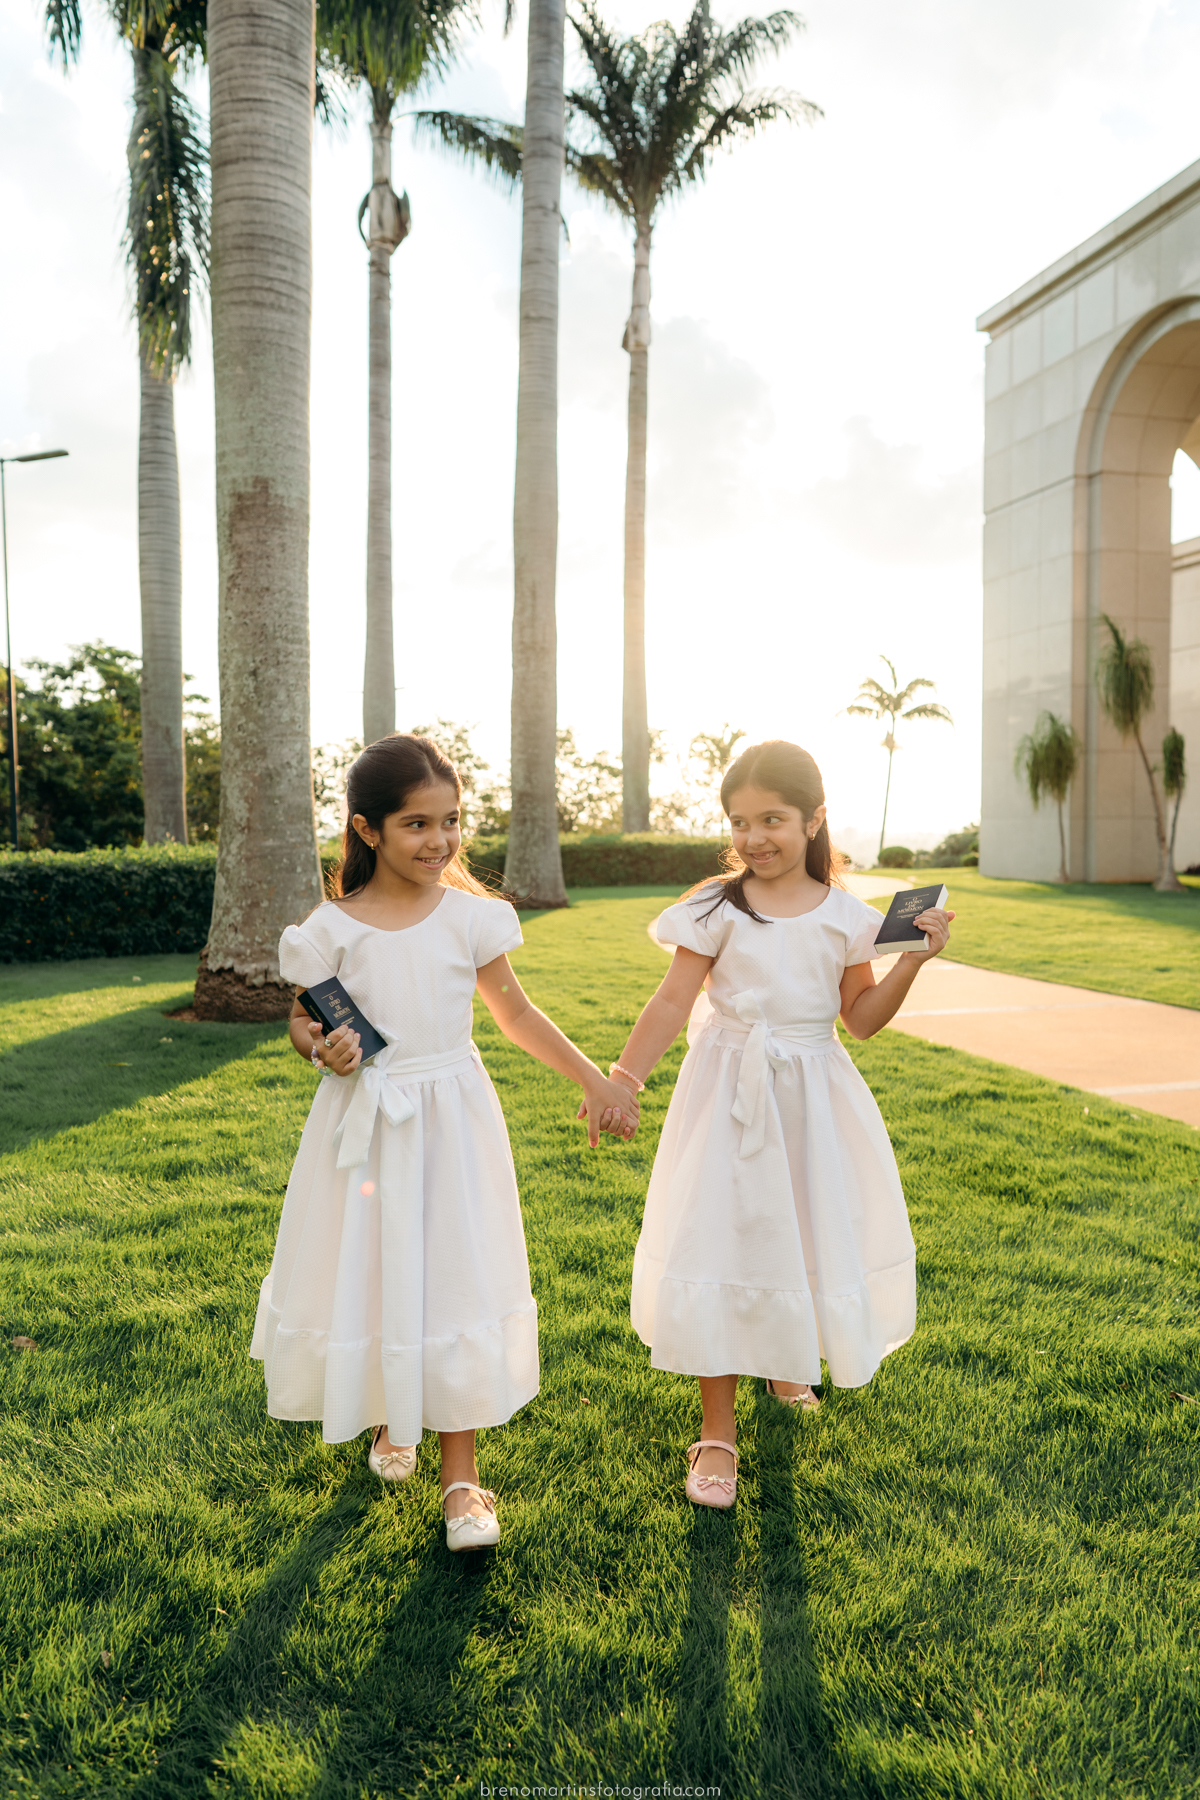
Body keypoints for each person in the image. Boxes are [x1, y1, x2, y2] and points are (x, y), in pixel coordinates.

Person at [250, 734, 637, 1551]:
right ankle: (392, 1416)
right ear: (367, 830)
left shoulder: (471, 918)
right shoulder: (330, 929)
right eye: (417, 824)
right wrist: (322, 1048)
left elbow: (516, 1013)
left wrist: (594, 1080)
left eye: (451, 821)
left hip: (454, 1121)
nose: (440, 841)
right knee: (377, 1266)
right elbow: (302, 1019)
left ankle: (462, 1482)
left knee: (455, 1277)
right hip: (363, 1124)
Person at [603, 739, 952, 1509]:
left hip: (813, 1099)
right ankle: (716, 1432)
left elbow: (861, 1020)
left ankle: (787, 1363)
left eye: (772, 820)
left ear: (814, 819)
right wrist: (623, 1080)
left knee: (801, 1231)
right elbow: (672, 1000)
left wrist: (912, 962)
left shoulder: (848, 917)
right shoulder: (716, 907)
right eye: (740, 821)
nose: (754, 837)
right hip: (729, 1091)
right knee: (723, 1238)